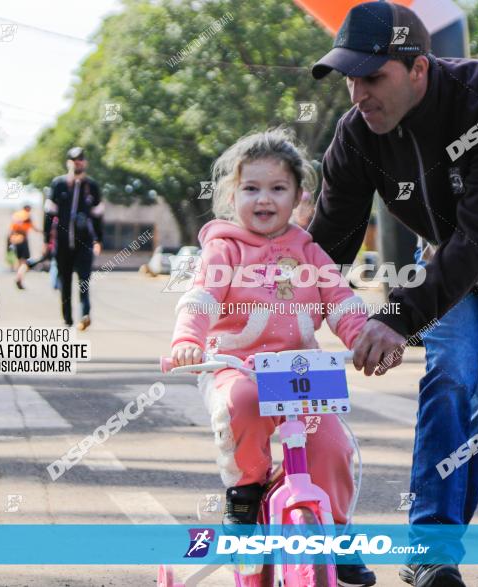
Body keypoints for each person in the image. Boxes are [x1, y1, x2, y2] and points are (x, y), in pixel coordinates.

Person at [308, 3, 478, 585]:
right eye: (350, 78)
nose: (358, 93)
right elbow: (330, 237)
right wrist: (280, 308)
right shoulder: (357, 134)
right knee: (450, 379)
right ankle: (434, 552)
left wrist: (396, 319)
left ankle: (438, 542)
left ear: (419, 69)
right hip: (457, 262)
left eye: (372, 77)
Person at [169, 128, 375, 587]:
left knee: (333, 446)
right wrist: (187, 340)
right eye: (251, 188)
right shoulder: (224, 249)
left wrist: (362, 337)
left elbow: (340, 300)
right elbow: (200, 299)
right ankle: (244, 494)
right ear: (232, 194)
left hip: (300, 372)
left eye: (278, 188)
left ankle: (337, 533)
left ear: (300, 196)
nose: (264, 199)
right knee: (241, 402)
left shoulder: (310, 251)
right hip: (236, 366)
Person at [43, 147, 104, 330]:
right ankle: (67, 319)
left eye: (81, 159)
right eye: (74, 159)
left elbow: (98, 216)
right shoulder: (58, 184)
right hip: (62, 243)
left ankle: (85, 315)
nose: (78, 162)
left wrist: (98, 240)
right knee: (65, 282)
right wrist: (47, 240)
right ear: (68, 162)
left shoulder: (91, 186)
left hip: (84, 243)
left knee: (84, 281)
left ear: (85, 163)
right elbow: (49, 214)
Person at [9, 204, 37, 289]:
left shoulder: (16, 215)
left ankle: (20, 280)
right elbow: (33, 227)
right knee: (24, 262)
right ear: (27, 208)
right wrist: (43, 232)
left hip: (15, 239)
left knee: (19, 261)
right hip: (23, 239)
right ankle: (19, 278)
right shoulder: (26, 215)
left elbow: (11, 229)